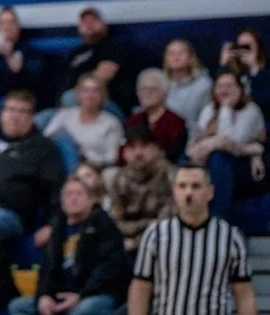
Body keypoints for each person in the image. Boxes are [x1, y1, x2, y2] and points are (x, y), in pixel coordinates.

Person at [129, 163, 256, 315]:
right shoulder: (155, 234)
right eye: (182, 186)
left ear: (210, 192)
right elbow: (141, 288)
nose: (188, 192)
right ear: (174, 191)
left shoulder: (231, 237)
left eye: (196, 186)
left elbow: (244, 294)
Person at [9, 175, 129, 315]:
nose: (74, 198)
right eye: (69, 194)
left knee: (84, 309)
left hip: (96, 294)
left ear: (91, 200)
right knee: (18, 306)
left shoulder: (103, 225)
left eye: (79, 194)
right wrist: (43, 296)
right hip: (61, 294)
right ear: (62, 201)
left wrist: (81, 296)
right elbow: (47, 270)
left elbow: (109, 268)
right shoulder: (57, 228)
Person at [0, 89, 65, 241]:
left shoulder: (43, 148)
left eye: (22, 111)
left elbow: (56, 191)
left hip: (7, 215)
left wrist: (52, 225)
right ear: (2, 112)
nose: (15, 116)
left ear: (32, 117)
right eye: (10, 109)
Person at [187, 69, 266, 218]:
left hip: (243, 168)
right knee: (184, 163)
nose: (224, 90)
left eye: (229, 86)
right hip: (209, 162)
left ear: (240, 89)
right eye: (220, 86)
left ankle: (217, 219)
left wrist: (225, 108)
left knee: (219, 158)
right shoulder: (208, 110)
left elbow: (232, 142)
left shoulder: (251, 110)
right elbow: (193, 147)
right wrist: (215, 142)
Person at [59, 8, 136, 116]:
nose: (89, 24)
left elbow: (103, 76)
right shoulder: (75, 54)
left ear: (103, 24)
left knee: (69, 98)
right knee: (42, 118)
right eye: (85, 21)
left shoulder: (113, 48)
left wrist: (78, 90)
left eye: (93, 20)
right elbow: (65, 81)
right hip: (75, 107)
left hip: (109, 105)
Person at [110, 125, 173, 253]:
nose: (138, 153)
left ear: (155, 148)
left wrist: (137, 241)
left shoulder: (170, 176)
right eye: (132, 147)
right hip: (126, 243)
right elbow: (115, 221)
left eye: (144, 146)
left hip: (162, 243)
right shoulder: (120, 178)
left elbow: (167, 223)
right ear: (125, 153)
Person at [43, 75, 124, 171]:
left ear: (103, 96)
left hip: (92, 168)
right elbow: (45, 138)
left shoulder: (112, 123)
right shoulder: (65, 115)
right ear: (78, 94)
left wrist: (87, 154)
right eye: (85, 90)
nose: (90, 95)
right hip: (58, 164)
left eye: (95, 91)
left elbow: (111, 159)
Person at [0, 7, 44, 100]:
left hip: (18, 99)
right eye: (2, 23)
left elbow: (31, 80)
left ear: (18, 27)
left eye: (11, 23)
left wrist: (9, 55)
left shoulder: (29, 51)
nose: (6, 27)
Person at [123, 68, 186, 164]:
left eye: (153, 89)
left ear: (165, 93)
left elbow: (174, 153)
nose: (147, 93)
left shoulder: (175, 122)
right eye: (143, 89)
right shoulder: (133, 120)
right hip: (133, 166)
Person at [164, 39, 213, 124]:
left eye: (181, 52)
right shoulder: (159, 84)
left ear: (191, 57)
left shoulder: (204, 85)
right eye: (171, 53)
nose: (176, 56)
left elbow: (208, 118)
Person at [222, 28, 270, 113]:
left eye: (247, 46)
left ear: (258, 48)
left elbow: (264, 101)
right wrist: (223, 64)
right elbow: (217, 97)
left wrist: (254, 67)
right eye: (240, 46)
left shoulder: (265, 74)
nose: (243, 50)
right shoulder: (232, 73)